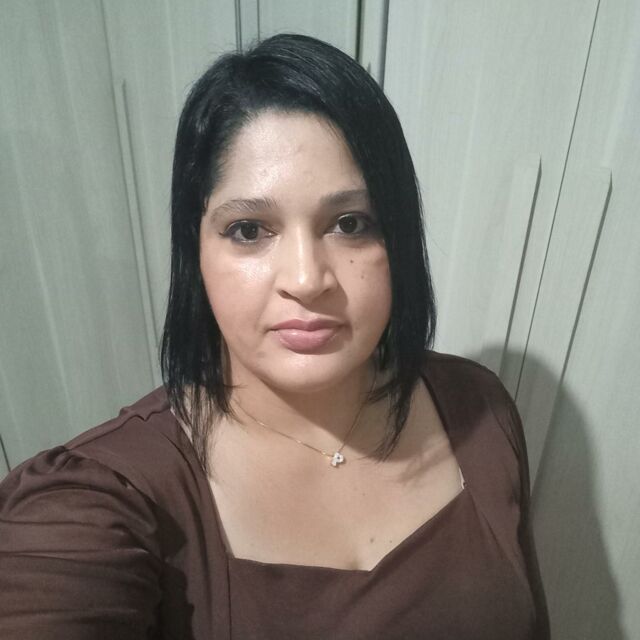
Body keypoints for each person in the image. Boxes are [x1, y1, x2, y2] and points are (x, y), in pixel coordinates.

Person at [0, 33, 550, 639]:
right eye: (248, 230)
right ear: (195, 252)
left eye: (350, 223)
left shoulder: (479, 410)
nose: (307, 280)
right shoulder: (95, 504)